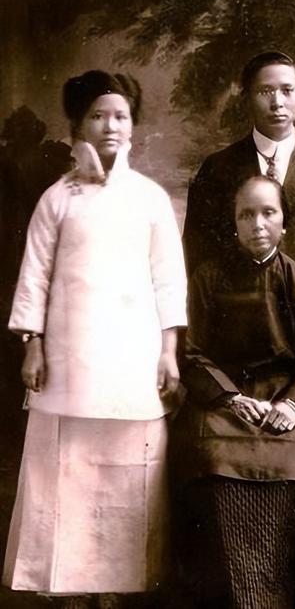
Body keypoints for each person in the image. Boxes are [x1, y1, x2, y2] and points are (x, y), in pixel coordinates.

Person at [3, 71, 187, 609]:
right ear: (79, 124)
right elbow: (35, 275)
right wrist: (32, 344)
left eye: (120, 116)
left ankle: (118, 586)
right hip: (69, 360)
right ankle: (67, 585)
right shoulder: (56, 199)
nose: (110, 126)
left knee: (127, 472)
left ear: (133, 125)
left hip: (132, 360)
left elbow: (168, 280)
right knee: (67, 474)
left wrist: (168, 351)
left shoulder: (150, 199)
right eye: (98, 115)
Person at [172, 175, 295, 609]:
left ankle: (278, 593)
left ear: (284, 222)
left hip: (283, 397)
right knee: (210, 459)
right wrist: (230, 398)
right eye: (246, 214)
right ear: (234, 222)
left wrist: (293, 404)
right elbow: (192, 352)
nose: (257, 224)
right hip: (222, 398)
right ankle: (236, 594)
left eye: (268, 213)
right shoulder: (208, 278)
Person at [183, 51, 295, 302]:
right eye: (265, 92)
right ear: (247, 98)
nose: (277, 103)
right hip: (236, 308)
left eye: (287, 90)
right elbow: (197, 247)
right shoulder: (218, 167)